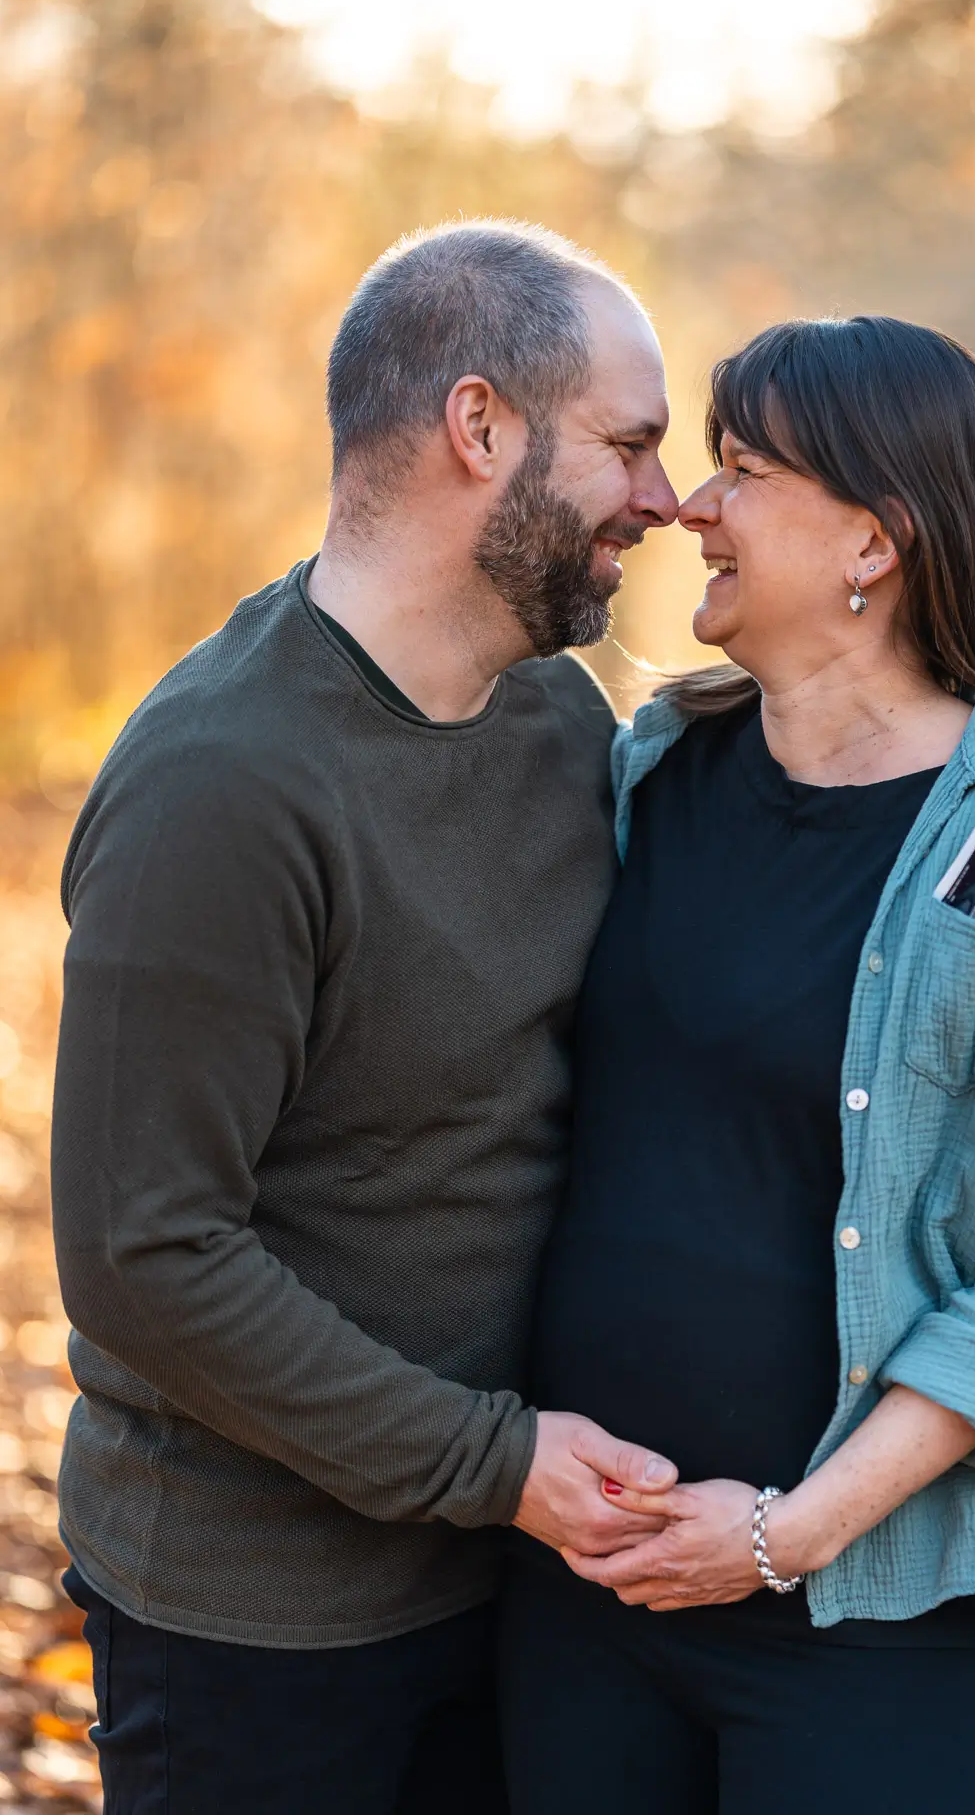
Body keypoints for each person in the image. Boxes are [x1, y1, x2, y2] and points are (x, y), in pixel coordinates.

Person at [50, 219, 682, 1814]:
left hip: (520, 1590)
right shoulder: (228, 782)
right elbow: (144, 1255)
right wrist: (494, 1465)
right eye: (629, 445)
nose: (664, 503)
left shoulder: (556, 710)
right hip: (256, 1628)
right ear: (482, 428)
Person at [500, 316, 975, 1815]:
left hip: (882, 1622)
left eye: (741, 470)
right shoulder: (653, 766)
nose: (689, 507)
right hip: (585, 1587)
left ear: (874, 537)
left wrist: (786, 1533)